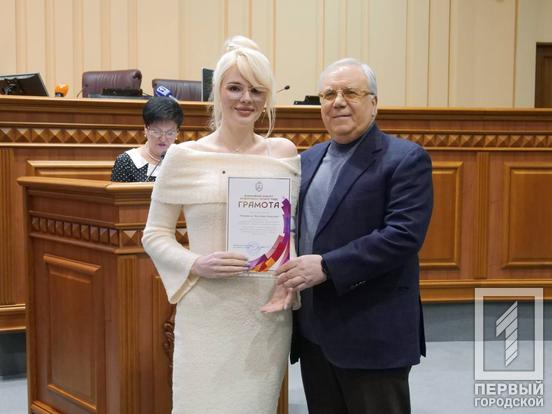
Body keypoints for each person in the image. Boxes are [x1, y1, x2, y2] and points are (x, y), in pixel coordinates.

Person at [141, 36, 299, 413]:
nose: (246, 99)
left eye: (256, 90)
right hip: (206, 309)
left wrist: (290, 284)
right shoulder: (184, 156)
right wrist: (196, 263)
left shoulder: (284, 153)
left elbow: (287, 230)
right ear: (217, 92)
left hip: (265, 311)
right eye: (235, 88)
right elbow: (154, 233)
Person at [276, 58, 433, 413]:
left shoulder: (405, 158)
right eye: (328, 94)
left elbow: (403, 235)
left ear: (373, 103)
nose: (338, 102)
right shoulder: (307, 160)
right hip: (315, 333)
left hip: (372, 334)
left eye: (350, 92)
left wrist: (327, 266)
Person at [111, 96, 183, 182]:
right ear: (145, 129)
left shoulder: (184, 161)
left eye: (170, 133)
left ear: (177, 132)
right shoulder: (127, 162)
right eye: (156, 131)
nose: (163, 139)